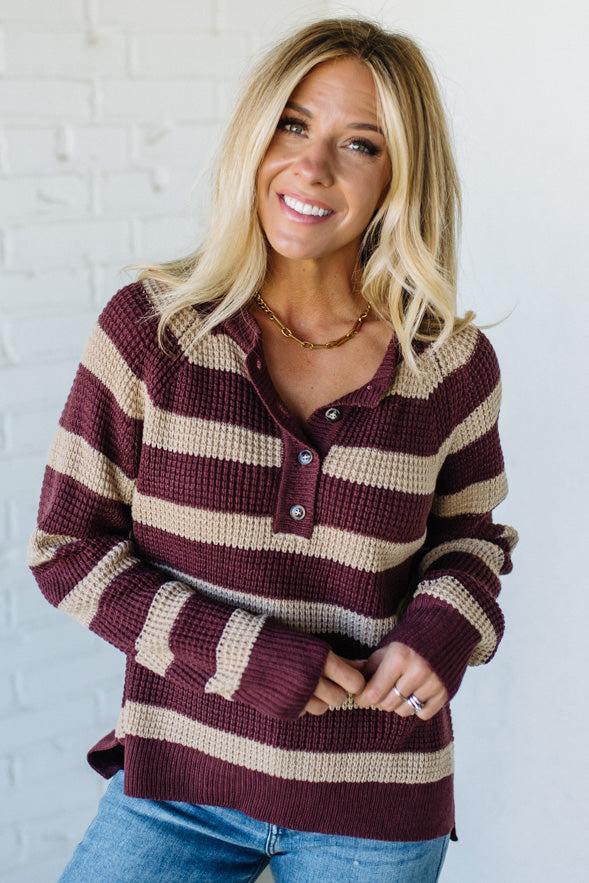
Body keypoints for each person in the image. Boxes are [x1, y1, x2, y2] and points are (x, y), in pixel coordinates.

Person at [27, 15, 519, 883]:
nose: (313, 167)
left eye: (359, 144)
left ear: (399, 176)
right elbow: (69, 551)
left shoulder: (448, 364)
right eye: (294, 125)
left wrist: (441, 628)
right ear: (255, 136)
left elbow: (472, 538)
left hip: (372, 802)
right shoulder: (151, 333)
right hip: (177, 785)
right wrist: (242, 654)